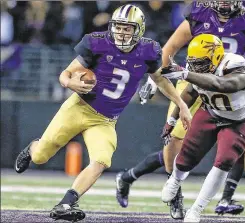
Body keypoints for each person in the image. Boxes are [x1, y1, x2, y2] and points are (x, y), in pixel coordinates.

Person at [14, 4, 191, 222]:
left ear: (139, 30)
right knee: (40, 157)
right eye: (118, 27)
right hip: (78, 108)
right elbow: (65, 73)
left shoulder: (148, 50)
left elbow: (160, 80)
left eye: (128, 28)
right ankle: (33, 147)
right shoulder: (97, 42)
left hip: (105, 121)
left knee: (101, 160)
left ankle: (66, 203)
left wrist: (181, 104)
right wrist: (70, 83)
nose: (122, 32)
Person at [116, 0, 245, 219]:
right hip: (193, 81)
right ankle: (175, 194)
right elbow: (169, 49)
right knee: (173, 140)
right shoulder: (199, 13)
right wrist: (154, 80)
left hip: (229, 86)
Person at [161, 33, 245, 222]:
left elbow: (221, 84)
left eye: (202, 62)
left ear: (217, 57)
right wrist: (172, 119)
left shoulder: (235, 65)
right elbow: (190, 92)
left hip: (240, 119)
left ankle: (196, 210)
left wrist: (185, 73)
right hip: (211, 111)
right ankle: (175, 180)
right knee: (186, 157)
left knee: (224, 161)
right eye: (194, 62)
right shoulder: (197, 66)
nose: (197, 67)